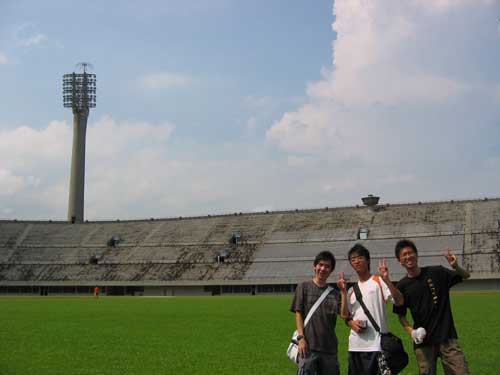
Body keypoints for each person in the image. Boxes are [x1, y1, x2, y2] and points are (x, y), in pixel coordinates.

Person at [393, 239, 470, 375]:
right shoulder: (401, 286)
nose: (408, 256)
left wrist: (455, 266)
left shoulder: (437, 272)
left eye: (410, 253)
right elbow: (401, 316)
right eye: (403, 255)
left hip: (447, 337)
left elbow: (465, 275)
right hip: (423, 343)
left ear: (417, 255)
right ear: (400, 261)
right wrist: (412, 332)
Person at [341, 244, 404, 375]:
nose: (356, 261)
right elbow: (345, 316)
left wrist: (387, 280)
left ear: (368, 260)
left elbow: (399, 301)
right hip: (355, 346)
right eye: (353, 259)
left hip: (377, 345)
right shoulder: (351, 291)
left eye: (359, 258)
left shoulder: (378, 281)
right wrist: (350, 322)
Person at [290, 250, 347, 375]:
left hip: (329, 348)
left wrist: (343, 292)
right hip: (308, 347)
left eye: (327, 266)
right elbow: (298, 313)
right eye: (320, 265)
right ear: (314, 266)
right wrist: (301, 338)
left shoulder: (334, 293)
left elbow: (344, 315)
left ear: (331, 270)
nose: (323, 268)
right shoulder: (303, 287)